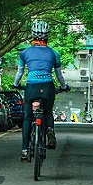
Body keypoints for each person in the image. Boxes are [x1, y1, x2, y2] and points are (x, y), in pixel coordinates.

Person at [13, 20, 69, 162]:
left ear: (33, 35)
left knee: (27, 116)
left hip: (31, 87)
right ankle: (50, 131)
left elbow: (19, 74)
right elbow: (59, 76)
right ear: (47, 36)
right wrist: (63, 87)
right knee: (48, 111)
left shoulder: (24, 53)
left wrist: (16, 85)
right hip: (48, 87)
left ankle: (25, 150)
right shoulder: (53, 53)